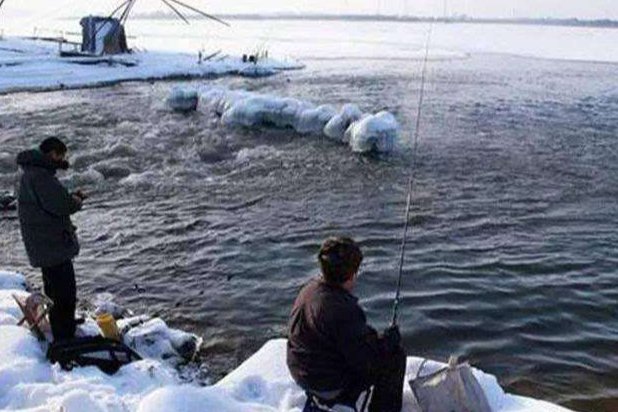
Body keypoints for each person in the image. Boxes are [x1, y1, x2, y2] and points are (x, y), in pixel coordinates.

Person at [287, 237, 407, 412]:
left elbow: (347, 340)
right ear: (352, 275)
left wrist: (377, 340)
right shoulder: (343, 309)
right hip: (325, 383)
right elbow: (365, 361)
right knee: (395, 358)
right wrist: (388, 343)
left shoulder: (309, 290)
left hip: (300, 371)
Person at [16, 137, 86, 342]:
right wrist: (77, 200)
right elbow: (61, 205)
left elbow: (51, 202)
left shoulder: (31, 172)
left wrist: (68, 198)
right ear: (52, 153)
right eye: (61, 156)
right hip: (51, 245)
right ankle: (65, 336)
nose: (62, 160)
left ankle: (62, 325)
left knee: (54, 289)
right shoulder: (40, 176)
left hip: (43, 244)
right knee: (65, 292)